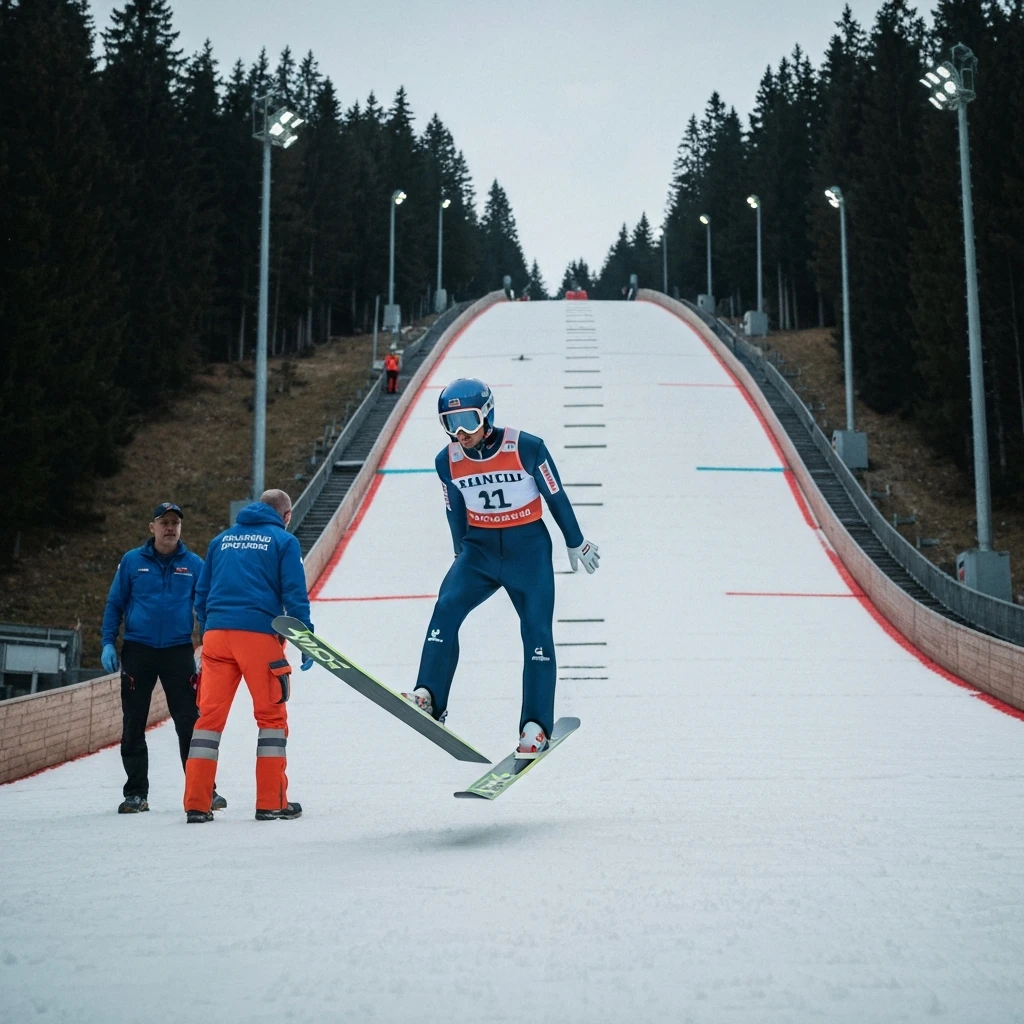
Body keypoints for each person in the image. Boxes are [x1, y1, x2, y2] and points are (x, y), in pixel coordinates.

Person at [402, 378, 600, 755]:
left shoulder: (526, 447)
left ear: (487, 414)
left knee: (536, 631)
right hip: (480, 550)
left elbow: (555, 494)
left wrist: (575, 539)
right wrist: (460, 550)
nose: (460, 432)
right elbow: (453, 508)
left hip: (528, 550)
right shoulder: (447, 461)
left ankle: (534, 727)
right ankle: (429, 695)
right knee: (445, 609)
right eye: (450, 422)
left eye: (468, 420)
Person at [183, 488, 313, 823]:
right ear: (286, 515)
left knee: (207, 722)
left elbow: (201, 594)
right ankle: (271, 802)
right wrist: (306, 639)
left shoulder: (220, 541)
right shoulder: (283, 542)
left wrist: (208, 631)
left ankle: (197, 803)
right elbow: (294, 593)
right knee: (271, 721)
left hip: (216, 638)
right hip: (258, 636)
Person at [101, 502, 226, 814]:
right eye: (164, 522)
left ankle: (204, 790)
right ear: (152, 527)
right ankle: (135, 793)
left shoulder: (194, 564)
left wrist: (210, 644)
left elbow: (205, 608)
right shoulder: (132, 562)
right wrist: (107, 642)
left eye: (175, 523)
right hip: (138, 650)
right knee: (133, 723)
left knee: (189, 723)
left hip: (178, 651)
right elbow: (115, 603)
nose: (170, 528)